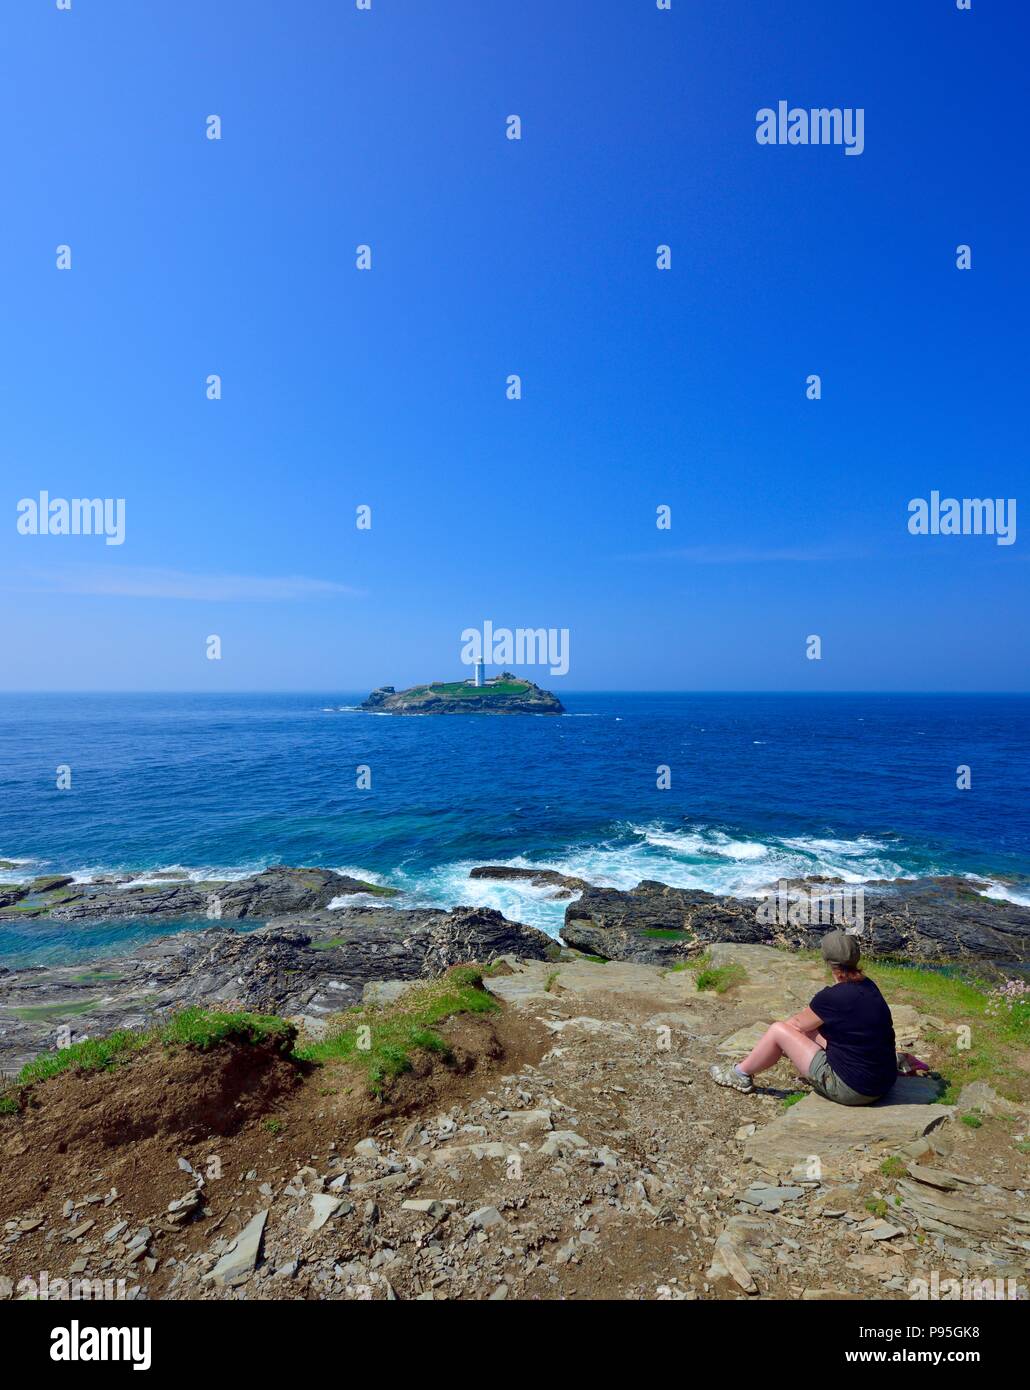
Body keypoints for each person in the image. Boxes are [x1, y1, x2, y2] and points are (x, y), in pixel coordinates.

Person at [709, 928, 898, 1106]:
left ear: (827, 961)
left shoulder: (831, 997)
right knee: (812, 1029)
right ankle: (752, 1064)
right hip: (883, 1082)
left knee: (778, 1031)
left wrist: (778, 1044)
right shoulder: (869, 985)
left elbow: (794, 1026)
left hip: (854, 1091)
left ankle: (739, 1073)